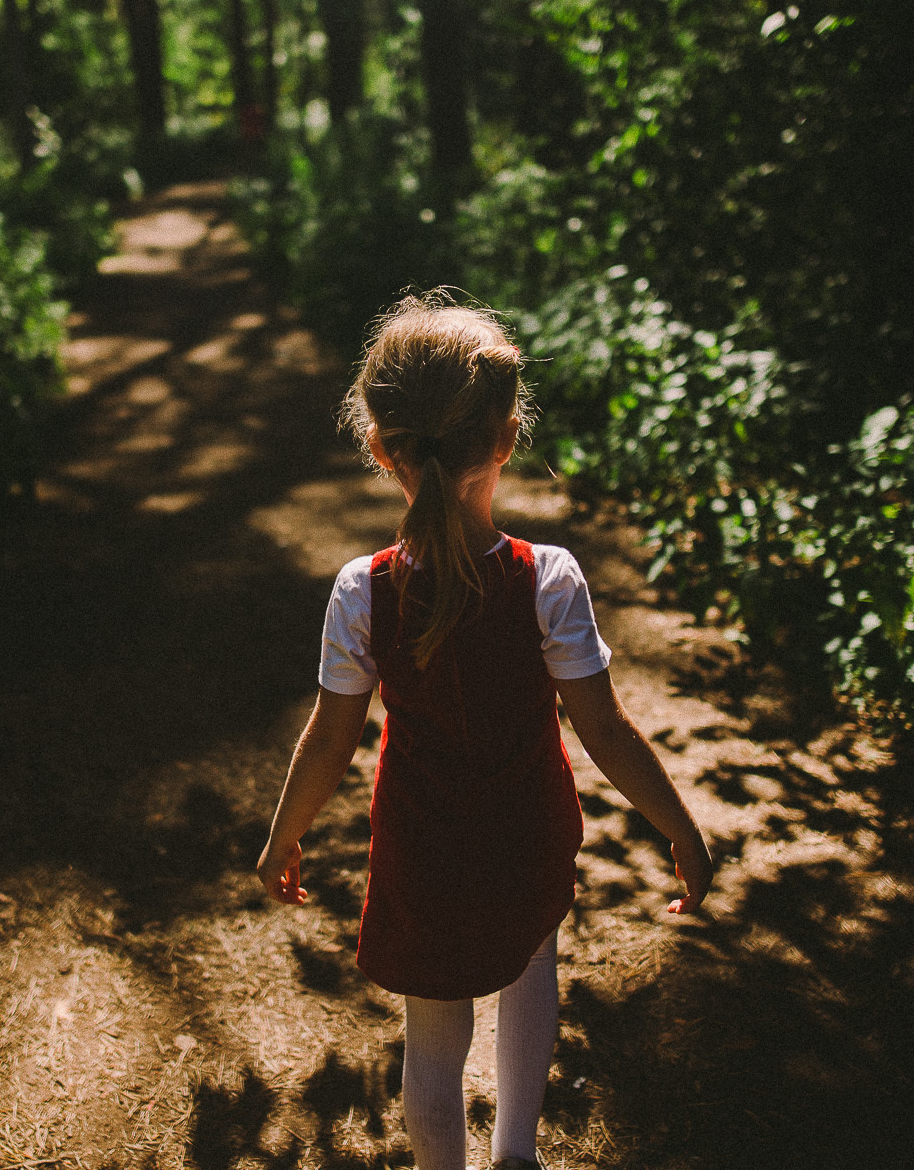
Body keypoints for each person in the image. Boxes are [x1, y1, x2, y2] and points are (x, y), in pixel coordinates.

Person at [255, 294, 716, 1170]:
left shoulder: (364, 589)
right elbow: (608, 731)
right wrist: (681, 830)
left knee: (433, 1036)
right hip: (525, 831)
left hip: (423, 847)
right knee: (528, 969)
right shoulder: (549, 579)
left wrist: (284, 834)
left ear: (383, 448)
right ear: (506, 438)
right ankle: (516, 1156)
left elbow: (328, 738)